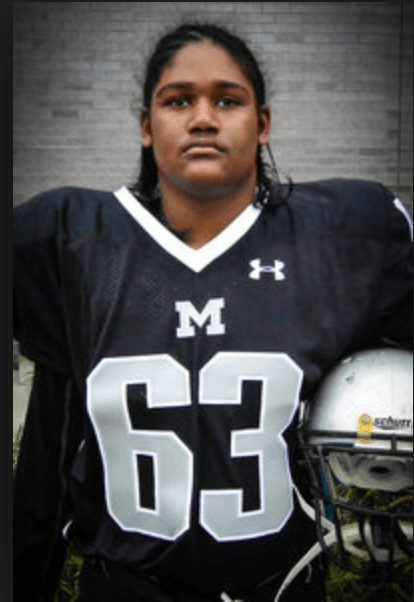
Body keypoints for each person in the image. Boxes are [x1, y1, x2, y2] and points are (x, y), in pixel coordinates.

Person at [13, 22, 413, 602]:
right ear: (147, 127)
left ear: (263, 123)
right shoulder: (72, 242)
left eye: (228, 100)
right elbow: (47, 458)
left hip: (282, 587)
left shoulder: (344, 235)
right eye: (178, 101)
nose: (203, 118)